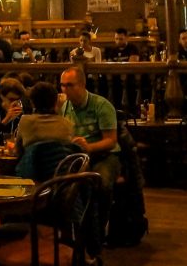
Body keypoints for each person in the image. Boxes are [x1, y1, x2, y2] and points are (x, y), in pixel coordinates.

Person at [59, 66, 120, 250]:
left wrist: (89, 147)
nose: (65, 90)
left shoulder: (101, 105)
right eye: (62, 86)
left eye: (70, 85)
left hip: (104, 155)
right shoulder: (65, 107)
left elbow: (111, 140)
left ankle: (98, 232)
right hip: (77, 157)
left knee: (100, 183)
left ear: (83, 85)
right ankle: (73, 233)